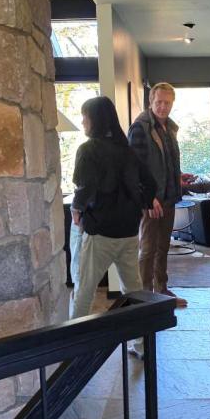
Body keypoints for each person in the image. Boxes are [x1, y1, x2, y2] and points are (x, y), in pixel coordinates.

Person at [70, 96, 157, 324]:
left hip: (100, 231)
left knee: (84, 289)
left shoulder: (88, 150)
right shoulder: (127, 151)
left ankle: (72, 345)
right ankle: (141, 343)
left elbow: (85, 187)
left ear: (95, 120)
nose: (82, 122)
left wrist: (76, 210)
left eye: (84, 117)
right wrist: (144, 204)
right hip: (128, 230)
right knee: (134, 289)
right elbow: (150, 184)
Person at [128, 82, 194, 308]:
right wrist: (148, 197)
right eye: (159, 102)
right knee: (147, 249)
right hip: (151, 202)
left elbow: (164, 164)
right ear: (151, 101)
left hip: (169, 198)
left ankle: (162, 290)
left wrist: (178, 177)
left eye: (167, 103)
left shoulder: (169, 129)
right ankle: (144, 298)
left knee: (163, 246)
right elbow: (134, 169)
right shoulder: (140, 128)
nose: (163, 107)